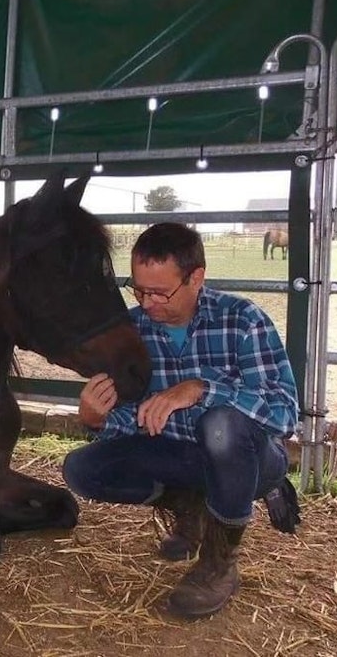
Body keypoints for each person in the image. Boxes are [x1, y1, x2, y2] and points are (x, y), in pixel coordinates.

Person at [62, 222, 301, 619]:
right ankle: (192, 507)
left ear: (196, 278)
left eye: (160, 292)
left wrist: (203, 389)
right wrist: (98, 419)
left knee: (220, 427)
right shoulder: (135, 330)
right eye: (138, 289)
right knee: (82, 469)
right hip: (179, 456)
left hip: (253, 460)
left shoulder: (243, 320)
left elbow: (283, 414)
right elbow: (136, 419)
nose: (148, 303)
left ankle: (218, 563)